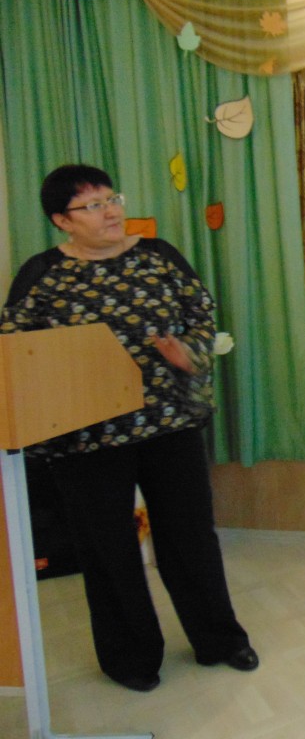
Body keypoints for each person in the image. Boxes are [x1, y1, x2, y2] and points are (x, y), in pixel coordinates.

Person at [1, 164, 258, 692]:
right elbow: (16, 350)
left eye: (111, 198)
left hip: (169, 423)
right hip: (84, 436)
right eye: (93, 205)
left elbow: (202, 315)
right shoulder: (41, 273)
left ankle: (219, 638)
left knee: (190, 537)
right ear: (62, 220)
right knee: (107, 548)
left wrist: (189, 353)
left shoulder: (159, 255)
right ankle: (131, 657)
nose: (111, 211)